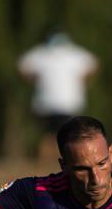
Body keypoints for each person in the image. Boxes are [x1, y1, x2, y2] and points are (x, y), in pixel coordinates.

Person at [18, 32, 98, 161]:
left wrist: (34, 81)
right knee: (69, 134)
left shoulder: (41, 54)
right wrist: (84, 83)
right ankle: (63, 158)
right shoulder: (75, 54)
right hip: (69, 102)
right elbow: (93, 65)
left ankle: (44, 160)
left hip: (45, 102)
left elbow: (23, 66)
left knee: (47, 133)